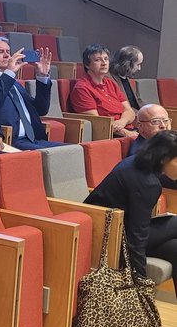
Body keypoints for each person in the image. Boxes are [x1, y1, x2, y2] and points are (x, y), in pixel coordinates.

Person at [86, 131, 177, 294]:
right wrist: (140, 282)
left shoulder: (137, 162)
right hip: (111, 241)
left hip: (109, 231)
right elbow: (137, 236)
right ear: (163, 158)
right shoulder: (146, 182)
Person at [0, 37, 62, 150]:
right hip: (10, 141)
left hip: (35, 139)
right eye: (0, 52)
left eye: (8, 52)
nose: (7, 56)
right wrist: (9, 73)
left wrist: (42, 76)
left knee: (76, 150)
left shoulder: (14, 83)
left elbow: (41, 110)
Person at [69, 44, 138, 140]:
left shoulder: (110, 83)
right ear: (87, 64)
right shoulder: (82, 88)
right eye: (98, 60)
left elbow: (129, 111)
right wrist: (127, 133)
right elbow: (98, 123)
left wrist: (122, 122)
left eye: (106, 59)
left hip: (127, 129)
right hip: (110, 135)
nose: (104, 63)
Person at [110, 45, 145, 111]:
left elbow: (138, 101)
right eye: (138, 64)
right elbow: (118, 105)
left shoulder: (127, 78)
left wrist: (150, 109)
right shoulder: (109, 79)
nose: (139, 68)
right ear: (127, 64)